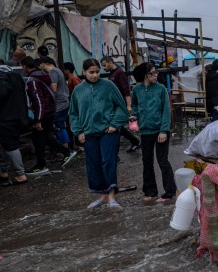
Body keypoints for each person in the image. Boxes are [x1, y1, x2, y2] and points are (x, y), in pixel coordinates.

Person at [69, 58, 129, 209]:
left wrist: (115, 124)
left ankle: (111, 196)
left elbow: (121, 107)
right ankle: (101, 196)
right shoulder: (78, 90)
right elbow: (73, 113)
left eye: (97, 72)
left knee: (108, 161)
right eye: (91, 72)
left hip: (108, 131)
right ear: (83, 72)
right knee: (94, 163)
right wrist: (78, 131)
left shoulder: (108, 85)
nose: (95, 75)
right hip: (88, 133)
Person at [131, 63, 176, 203]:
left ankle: (169, 192)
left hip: (160, 131)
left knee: (162, 161)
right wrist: (136, 115)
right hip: (145, 131)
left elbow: (166, 111)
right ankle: (150, 191)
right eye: (151, 73)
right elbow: (134, 105)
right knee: (147, 161)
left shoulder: (161, 89)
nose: (155, 75)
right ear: (144, 75)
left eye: (156, 72)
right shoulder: (137, 89)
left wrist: (163, 130)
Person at [22, 57, 74, 175]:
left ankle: (43, 163)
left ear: (24, 66)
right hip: (50, 110)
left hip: (44, 112)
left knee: (40, 137)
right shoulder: (43, 75)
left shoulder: (32, 80)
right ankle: (63, 153)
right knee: (46, 136)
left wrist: (38, 119)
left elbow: (38, 100)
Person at [0, 56, 29, 185]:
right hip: (18, 116)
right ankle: (3, 171)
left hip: (6, 118)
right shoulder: (15, 75)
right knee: (6, 144)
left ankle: (20, 174)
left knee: (11, 145)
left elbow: (1, 93)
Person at [101, 56, 141, 152]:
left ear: (110, 62)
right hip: (115, 104)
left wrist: (128, 105)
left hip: (121, 104)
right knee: (119, 127)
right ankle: (135, 142)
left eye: (104, 65)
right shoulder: (112, 73)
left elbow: (125, 89)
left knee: (118, 126)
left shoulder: (119, 72)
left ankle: (117, 150)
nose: (104, 68)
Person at [38, 56, 75, 153]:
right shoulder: (58, 70)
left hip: (59, 104)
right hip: (63, 102)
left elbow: (53, 90)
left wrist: (49, 103)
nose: (39, 66)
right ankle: (65, 149)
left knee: (58, 126)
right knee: (60, 125)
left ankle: (65, 150)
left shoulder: (53, 72)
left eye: (40, 64)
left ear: (44, 63)